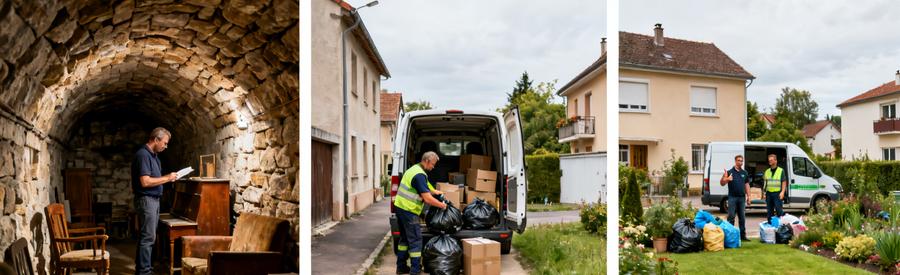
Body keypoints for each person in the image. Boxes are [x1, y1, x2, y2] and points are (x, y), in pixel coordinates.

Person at [131, 127, 177, 275]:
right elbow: (145, 182)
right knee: (148, 238)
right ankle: (145, 272)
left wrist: (168, 178)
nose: (166, 146)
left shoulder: (154, 156)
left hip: (153, 200)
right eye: (164, 142)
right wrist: (167, 178)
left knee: (147, 236)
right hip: (147, 200)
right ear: (156, 140)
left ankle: (142, 269)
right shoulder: (143, 155)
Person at [393, 151, 447, 275]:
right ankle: (415, 270)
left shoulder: (415, 169)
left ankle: (401, 267)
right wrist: (442, 205)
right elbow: (427, 198)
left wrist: (435, 192)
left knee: (405, 239)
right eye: (432, 164)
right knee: (416, 240)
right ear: (427, 161)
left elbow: (426, 186)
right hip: (409, 210)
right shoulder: (419, 175)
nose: (433, 167)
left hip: (400, 208)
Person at [720, 155, 751, 241]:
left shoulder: (744, 173)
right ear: (735, 161)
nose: (740, 162)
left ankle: (743, 236)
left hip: (742, 198)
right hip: (732, 198)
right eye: (738, 160)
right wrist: (727, 179)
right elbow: (722, 183)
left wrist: (749, 196)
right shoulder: (729, 172)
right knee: (731, 217)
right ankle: (730, 236)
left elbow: (747, 185)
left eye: (741, 161)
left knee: (742, 217)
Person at [763, 154, 787, 222]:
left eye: (771, 160)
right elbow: (765, 183)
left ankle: (781, 226)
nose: (769, 161)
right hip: (769, 194)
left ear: (775, 161)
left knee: (779, 210)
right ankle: (771, 227)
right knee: (769, 212)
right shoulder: (767, 171)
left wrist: (782, 192)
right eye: (769, 160)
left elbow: (784, 182)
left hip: (777, 193)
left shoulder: (781, 170)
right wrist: (764, 193)